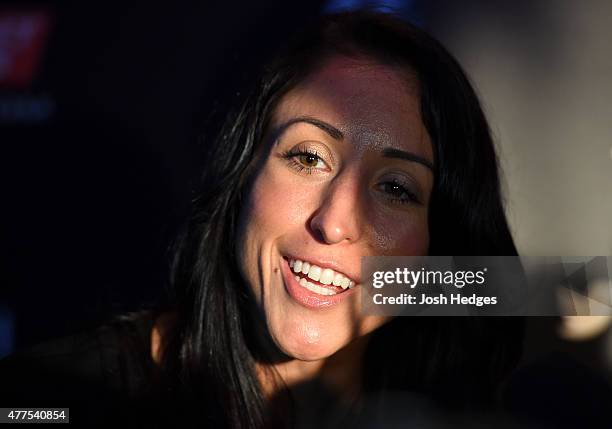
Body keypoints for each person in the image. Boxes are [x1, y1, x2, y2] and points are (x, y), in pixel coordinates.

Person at [0, 10, 523, 428]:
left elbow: (578, 289)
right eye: (308, 157)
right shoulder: (55, 397)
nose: (336, 222)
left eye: (395, 188)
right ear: (243, 169)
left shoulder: (452, 396)